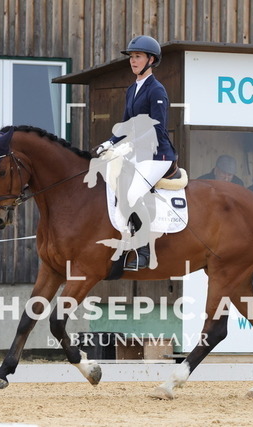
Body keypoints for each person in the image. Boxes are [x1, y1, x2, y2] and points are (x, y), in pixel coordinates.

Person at [92, 35, 177, 270]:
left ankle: (144, 251)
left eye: (138, 56)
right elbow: (126, 125)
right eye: (131, 57)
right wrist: (109, 143)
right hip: (137, 153)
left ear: (151, 60)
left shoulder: (156, 90)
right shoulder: (132, 89)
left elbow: (158, 128)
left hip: (158, 155)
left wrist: (130, 145)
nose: (133, 61)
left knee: (132, 194)